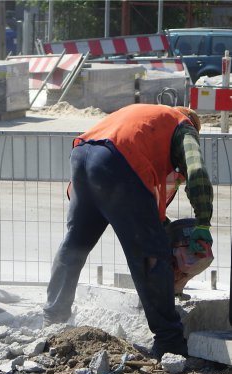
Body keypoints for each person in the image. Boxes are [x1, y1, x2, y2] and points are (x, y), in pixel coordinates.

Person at [43, 104, 213, 360]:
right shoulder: (183, 126)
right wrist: (203, 222)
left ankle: (52, 323)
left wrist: (160, 228)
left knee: (75, 245)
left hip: (83, 156)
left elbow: (143, 207)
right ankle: (169, 342)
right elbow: (197, 172)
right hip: (119, 162)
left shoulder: (146, 119)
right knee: (150, 256)